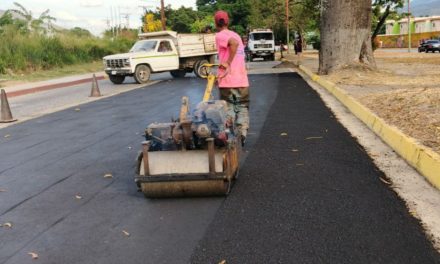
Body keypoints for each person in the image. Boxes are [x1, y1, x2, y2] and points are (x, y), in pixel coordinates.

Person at [214, 10, 250, 146]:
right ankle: (243, 131)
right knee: (242, 107)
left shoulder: (220, 35)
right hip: (242, 80)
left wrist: (227, 63)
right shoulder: (236, 34)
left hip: (228, 81)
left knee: (228, 109)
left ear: (216, 22)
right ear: (227, 21)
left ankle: (229, 140)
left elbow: (233, 44)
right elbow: (239, 51)